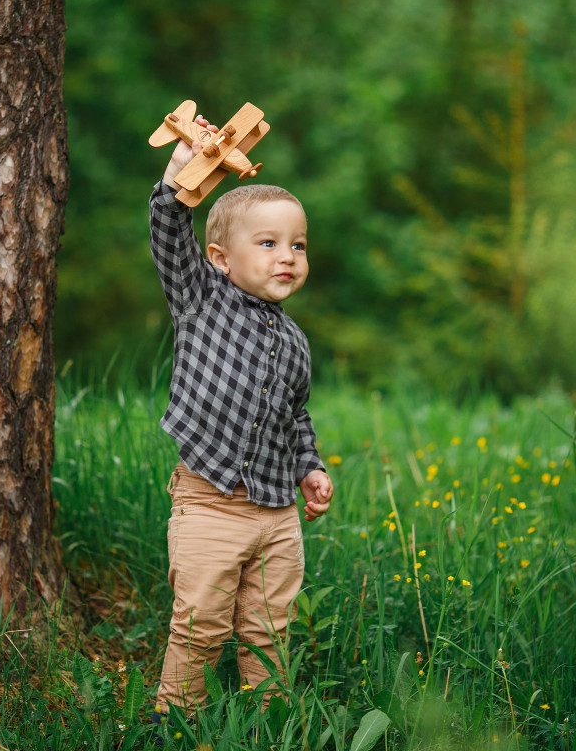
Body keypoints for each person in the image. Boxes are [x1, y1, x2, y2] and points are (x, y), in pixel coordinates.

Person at [149, 114, 333, 719]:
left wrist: (309, 466)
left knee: (270, 631)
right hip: (210, 503)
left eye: (298, 244)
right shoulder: (200, 298)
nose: (288, 257)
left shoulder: (297, 341)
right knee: (199, 626)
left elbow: (295, 416)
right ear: (220, 258)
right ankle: (178, 720)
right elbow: (168, 227)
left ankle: (266, 719)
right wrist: (182, 169)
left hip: (279, 514)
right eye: (269, 243)